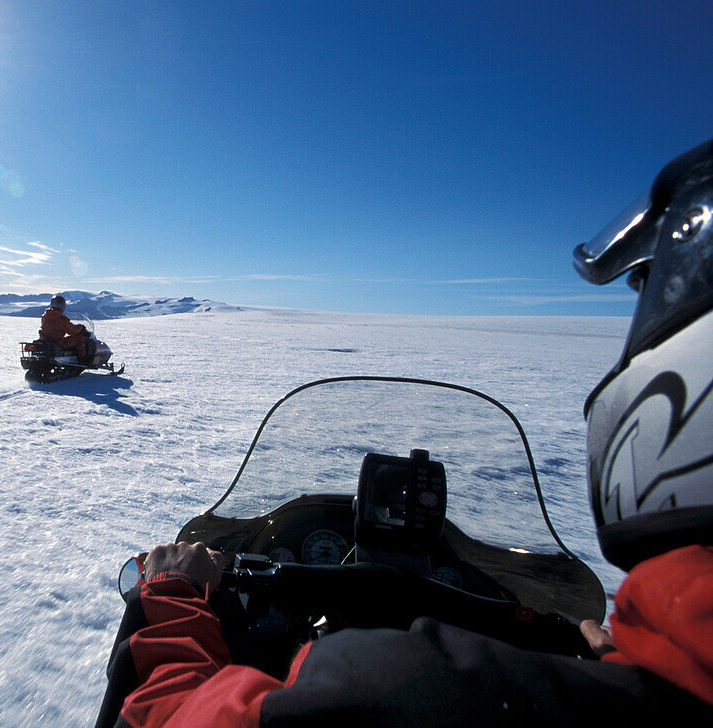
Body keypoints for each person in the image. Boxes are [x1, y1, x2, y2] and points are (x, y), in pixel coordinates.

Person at [95, 139, 713, 727]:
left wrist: (174, 600)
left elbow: (166, 719)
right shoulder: (629, 694)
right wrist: (617, 661)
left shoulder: (415, 692)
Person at [39, 294, 89, 362]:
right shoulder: (61, 318)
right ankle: (82, 360)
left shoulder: (45, 316)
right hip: (58, 341)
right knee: (80, 338)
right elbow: (72, 330)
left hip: (45, 339)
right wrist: (81, 328)